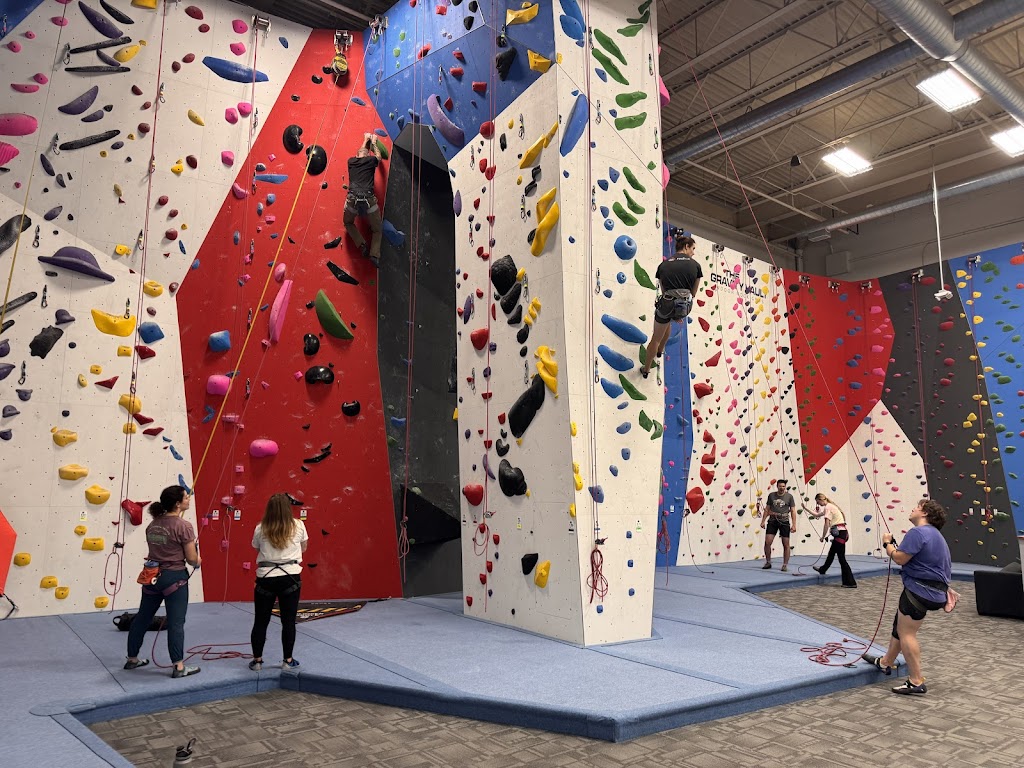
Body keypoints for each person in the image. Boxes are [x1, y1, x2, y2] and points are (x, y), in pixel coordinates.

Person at [865, 498, 953, 695]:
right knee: (900, 627)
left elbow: (899, 558)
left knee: (907, 633)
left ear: (925, 513)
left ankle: (916, 681)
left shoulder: (917, 532)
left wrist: (887, 544)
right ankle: (886, 662)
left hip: (919, 591)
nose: (913, 509)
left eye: (917, 507)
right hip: (933, 591)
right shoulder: (936, 535)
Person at [124, 486, 201, 678]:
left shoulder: (153, 524)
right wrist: (198, 560)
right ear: (178, 503)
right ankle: (178, 666)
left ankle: (132, 659)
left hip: (152, 576)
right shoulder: (184, 526)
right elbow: (191, 559)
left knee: (142, 618)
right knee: (176, 622)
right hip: (174, 578)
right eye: (186, 497)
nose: (189, 499)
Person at [249, 493, 309, 671]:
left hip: (266, 578)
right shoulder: (299, 525)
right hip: (290, 577)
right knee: (288, 621)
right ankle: (287, 660)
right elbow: (304, 547)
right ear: (288, 508)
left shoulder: (260, 528)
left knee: (261, 621)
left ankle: (257, 661)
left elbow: (257, 547)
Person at [639, 235, 702, 378]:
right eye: (692, 249)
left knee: (656, 336)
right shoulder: (696, 265)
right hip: (684, 306)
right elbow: (693, 293)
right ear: (686, 247)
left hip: (667, 303)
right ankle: (660, 351)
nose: (693, 253)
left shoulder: (663, 266)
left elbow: (663, 291)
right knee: (669, 322)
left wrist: (671, 304)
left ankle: (646, 369)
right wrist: (680, 309)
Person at [343, 133, 383, 268]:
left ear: (356, 156)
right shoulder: (371, 161)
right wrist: (374, 143)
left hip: (352, 199)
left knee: (348, 223)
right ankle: (374, 254)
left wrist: (365, 139)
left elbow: (361, 153)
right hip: (368, 199)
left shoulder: (351, 162)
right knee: (377, 229)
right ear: (367, 155)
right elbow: (379, 157)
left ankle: (361, 244)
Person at [809, 492, 857, 588]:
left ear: (820, 500)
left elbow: (826, 524)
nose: (818, 504)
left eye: (818, 502)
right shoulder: (831, 506)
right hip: (842, 533)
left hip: (840, 534)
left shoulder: (828, 507)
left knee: (841, 559)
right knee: (831, 553)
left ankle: (850, 582)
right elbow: (817, 514)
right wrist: (805, 508)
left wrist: (823, 536)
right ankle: (823, 569)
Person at [760, 478, 796, 571]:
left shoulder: (789, 497)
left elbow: (793, 511)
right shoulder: (771, 495)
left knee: (786, 544)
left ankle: (785, 565)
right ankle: (768, 562)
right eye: (780, 486)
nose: (782, 488)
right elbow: (767, 509)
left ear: (785, 487)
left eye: (783, 486)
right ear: (777, 486)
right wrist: (763, 521)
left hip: (784, 521)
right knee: (767, 542)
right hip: (772, 521)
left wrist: (794, 524)